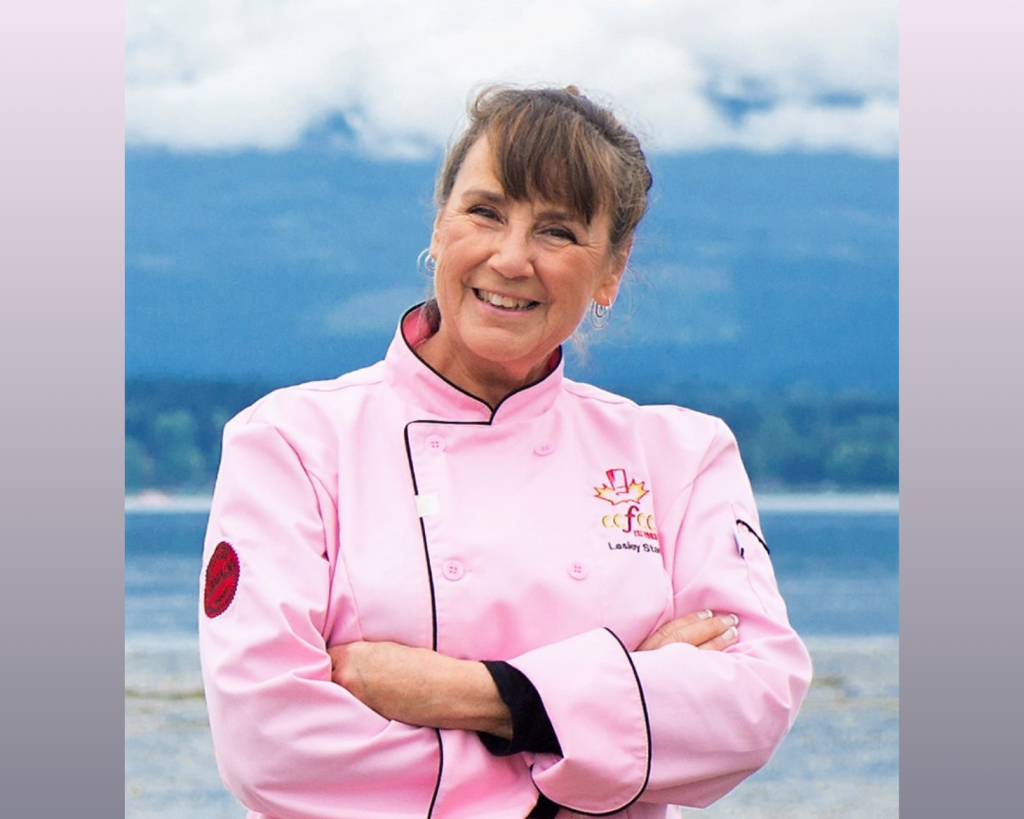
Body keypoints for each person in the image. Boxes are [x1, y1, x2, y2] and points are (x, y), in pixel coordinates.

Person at [199, 84, 813, 819]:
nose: (512, 257)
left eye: (557, 231)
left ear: (611, 271)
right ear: (439, 225)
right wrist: (608, 719)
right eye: (485, 212)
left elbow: (755, 701)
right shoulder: (292, 445)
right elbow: (270, 745)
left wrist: (484, 697)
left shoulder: (680, 457)